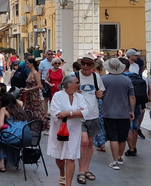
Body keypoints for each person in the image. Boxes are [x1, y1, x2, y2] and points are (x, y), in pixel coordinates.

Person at [47, 74, 89, 186]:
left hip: (74, 130)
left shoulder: (79, 97)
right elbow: (56, 113)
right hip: (59, 129)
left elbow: (85, 112)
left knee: (71, 157)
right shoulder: (58, 95)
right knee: (59, 156)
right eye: (76, 82)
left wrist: (68, 113)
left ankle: (68, 184)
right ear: (69, 85)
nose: (79, 84)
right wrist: (76, 113)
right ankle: (62, 173)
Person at [74, 54, 105, 183]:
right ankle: (81, 170)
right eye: (83, 63)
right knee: (84, 142)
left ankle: (86, 169)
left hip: (93, 114)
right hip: (79, 115)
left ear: (92, 66)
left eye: (88, 64)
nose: (85, 66)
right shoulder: (74, 77)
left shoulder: (96, 77)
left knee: (90, 143)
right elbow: (65, 91)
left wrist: (100, 95)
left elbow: (101, 93)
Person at [101, 58, 135, 170]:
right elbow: (132, 96)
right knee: (122, 138)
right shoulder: (127, 80)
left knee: (113, 138)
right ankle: (120, 157)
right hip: (124, 113)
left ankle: (114, 161)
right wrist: (132, 110)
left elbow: (100, 95)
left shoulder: (103, 79)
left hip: (108, 113)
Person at [0, 93, 30, 172]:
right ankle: (13, 160)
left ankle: (1, 163)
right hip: (26, 137)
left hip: (14, 137)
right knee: (3, 135)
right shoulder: (19, 108)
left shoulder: (4, 109)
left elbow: (0, 125)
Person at [22, 58, 49, 131]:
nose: (26, 65)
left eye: (27, 63)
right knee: (29, 109)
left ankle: (43, 124)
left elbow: (39, 85)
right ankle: (30, 124)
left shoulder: (36, 73)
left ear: (31, 64)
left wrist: (28, 89)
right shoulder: (30, 73)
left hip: (34, 95)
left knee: (37, 110)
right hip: (29, 95)